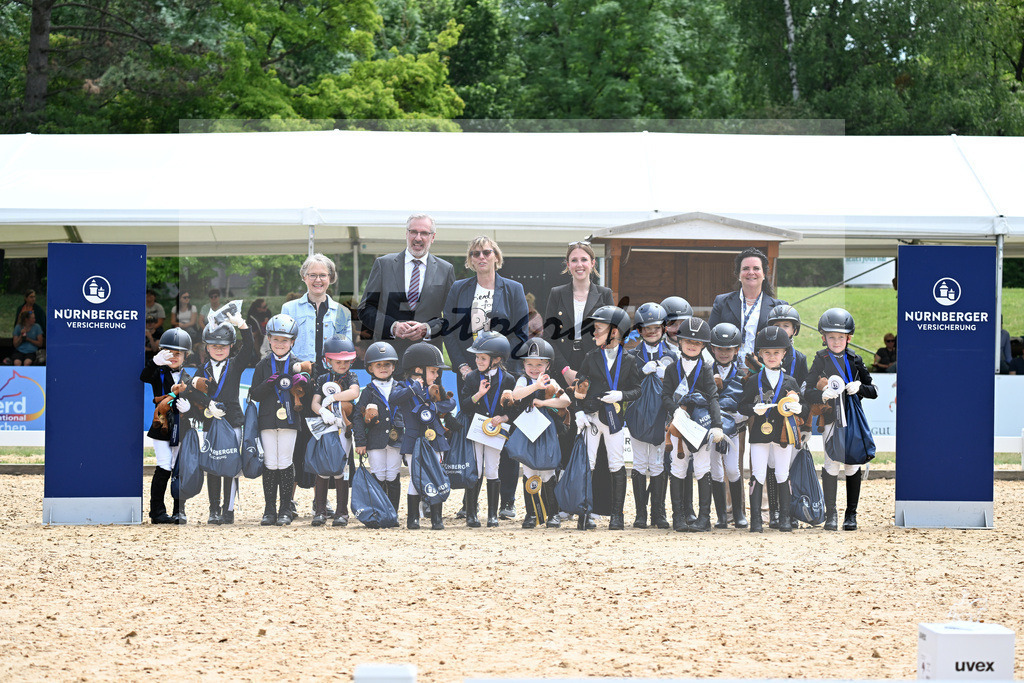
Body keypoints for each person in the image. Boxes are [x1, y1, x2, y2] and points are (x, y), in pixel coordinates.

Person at [443, 236, 529, 519]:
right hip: (469, 374)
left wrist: (506, 369)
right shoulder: (459, 288)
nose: (481, 257)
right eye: (476, 253)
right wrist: (462, 367)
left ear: (496, 256)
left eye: (487, 252)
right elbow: (450, 332)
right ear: (470, 259)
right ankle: (470, 502)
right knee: (473, 437)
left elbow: (520, 333)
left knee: (503, 433)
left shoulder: (513, 289)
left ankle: (506, 501)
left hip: (504, 375)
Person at [281, 253, 354, 520]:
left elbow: (346, 350)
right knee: (296, 442)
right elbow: (281, 344)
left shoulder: (343, 312)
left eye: (323, 275)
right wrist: (298, 368)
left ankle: (320, 503)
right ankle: (287, 503)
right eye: (312, 275)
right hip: (299, 385)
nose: (318, 280)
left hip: (330, 386)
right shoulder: (289, 309)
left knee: (327, 442)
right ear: (304, 277)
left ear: (330, 278)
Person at [804, 308, 878, 531]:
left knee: (852, 464)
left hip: (852, 419)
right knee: (831, 463)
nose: (836, 341)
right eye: (831, 337)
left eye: (840, 337)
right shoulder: (820, 359)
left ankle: (851, 514)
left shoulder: (855, 359)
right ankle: (831, 514)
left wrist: (859, 387)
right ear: (824, 337)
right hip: (830, 419)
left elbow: (873, 390)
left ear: (849, 338)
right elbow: (807, 390)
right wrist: (822, 394)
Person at [572, 305, 642, 531]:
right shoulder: (591, 357)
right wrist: (578, 410)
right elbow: (578, 386)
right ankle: (584, 513)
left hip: (614, 419)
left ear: (614, 332)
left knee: (616, 463)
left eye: (598, 328)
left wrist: (621, 395)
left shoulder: (629, 360)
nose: (594, 333)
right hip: (591, 417)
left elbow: (637, 389)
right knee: (588, 463)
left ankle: (617, 515)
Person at [738, 326, 810, 533]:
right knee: (758, 473)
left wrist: (798, 408)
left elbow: (804, 406)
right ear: (760, 354)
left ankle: (785, 517)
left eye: (776, 352)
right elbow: (741, 406)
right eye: (767, 352)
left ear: (784, 354)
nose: (771, 357)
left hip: (782, 434)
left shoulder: (790, 381)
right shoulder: (754, 381)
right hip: (759, 433)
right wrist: (753, 409)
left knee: (782, 473)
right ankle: (756, 520)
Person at [358, 213, 456, 359]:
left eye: (424, 233)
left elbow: (452, 316)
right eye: (413, 232)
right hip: (388, 357)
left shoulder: (445, 270)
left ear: (432, 237)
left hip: (428, 358)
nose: (418, 238)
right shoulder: (384, 265)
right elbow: (365, 309)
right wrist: (392, 326)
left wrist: (427, 329)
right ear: (406, 234)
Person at [660, 316, 725, 532]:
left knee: (702, 468)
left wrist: (717, 425)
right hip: (678, 425)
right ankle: (678, 516)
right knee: (678, 468)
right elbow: (665, 396)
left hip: (700, 426)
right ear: (680, 342)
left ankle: (704, 518)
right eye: (688, 341)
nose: (692, 345)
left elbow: (713, 397)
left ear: (703, 346)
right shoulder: (671, 369)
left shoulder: (706, 369)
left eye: (697, 343)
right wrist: (675, 410)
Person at [194, 313, 257, 525]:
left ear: (231, 346)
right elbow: (191, 390)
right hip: (210, 421)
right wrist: (207, 404)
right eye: (214, 346)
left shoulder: (236, 364)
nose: (219, 349)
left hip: (232, 420)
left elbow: (249, 348)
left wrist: (242, 326)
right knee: (213, 465)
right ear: (207, 347)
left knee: (231, 465)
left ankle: (228, 509)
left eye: (223, 346)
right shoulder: (202, 369)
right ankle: (213, 509)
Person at [140, 328, 207, 524]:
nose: (174, 357)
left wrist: (189, 409)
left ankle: (179, 510)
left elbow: (197, 405)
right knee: (164, 465)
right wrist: (155, 362)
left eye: (178, 354)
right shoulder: (158, 372)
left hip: (181, 427)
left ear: (186, 356)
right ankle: (157, 512)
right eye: (169, 353)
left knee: (179, 467)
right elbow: (144, 376)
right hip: (161, 426)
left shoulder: (188, 378)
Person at [390, 342, 457, 530]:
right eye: (433, 371)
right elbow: (393, 399)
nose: (436, 375)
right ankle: (413, 518)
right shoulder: (403, 386)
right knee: (415, 477)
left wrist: (434, 406)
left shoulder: (434, 388)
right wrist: (413, 389)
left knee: (436, 475)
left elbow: (450, 403)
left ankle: (437, 517)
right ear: (419, 370)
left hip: (435, 438)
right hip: (413, 439)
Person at [505, 338, 569, 529]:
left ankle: (553, 513)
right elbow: (516, 395)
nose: (534, 368)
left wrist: (543, 402)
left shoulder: (552, 381)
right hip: (527, 428)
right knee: (529, 469)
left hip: (546, 429)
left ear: (547, 365)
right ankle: (531, 514)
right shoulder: (522, 380)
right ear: (524, 364)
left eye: (539, 365)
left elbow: (565, 401)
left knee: (548, 470)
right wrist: (535, 386)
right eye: (530, 364)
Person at [456, 331, 518, 528]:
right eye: (477, 357)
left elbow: (513, 408)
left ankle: (492, 514)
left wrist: (504, 417)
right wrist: (479, 394)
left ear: (496, 359)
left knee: (492, 468)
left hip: (495, 430)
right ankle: (471, 513)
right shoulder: (472, 377)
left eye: (482, 358)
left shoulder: (508, 379)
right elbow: (465, 405)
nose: (478, 361)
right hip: (476, 429)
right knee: (475, 469)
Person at [248, 314, 304, 526]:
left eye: (285, 340)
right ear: (269, 339)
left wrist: (303, 382)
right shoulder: (262, 365)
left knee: (285, 461)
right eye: (276, 339)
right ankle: (269, 509)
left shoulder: (297, 364)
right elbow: (255, 394)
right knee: (270, 462)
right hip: (268, 419)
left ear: (293, 342)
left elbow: (306, 392)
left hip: (290, 419)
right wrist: (270, 382)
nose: (280, 344)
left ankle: (285, 508)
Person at [625, 302, 676, 529]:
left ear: (663, 328)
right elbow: (625, 384)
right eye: (647, 328)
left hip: (661, 416)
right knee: (639, 462)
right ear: (640, 330)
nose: (652, 331)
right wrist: (639, 372)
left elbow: (679, 387)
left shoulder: (672, 355)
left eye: (656, 327)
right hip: (638, 414)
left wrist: (669, 376)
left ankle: (659, 512)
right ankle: (640, 514)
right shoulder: (632, 355)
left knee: (657, 464)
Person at [544, 241, 614, 386]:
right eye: (574, 260)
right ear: (568, 265)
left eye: (584, 259)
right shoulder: (556, 293)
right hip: (563, 366)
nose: (579, 265)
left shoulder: (605, 294)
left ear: (592, 263)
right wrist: (564, 370)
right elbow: (549, 336)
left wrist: (595, 367)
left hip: (596, 365)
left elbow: (611, 335)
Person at [309, 337, 361, 526]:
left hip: (343, 428)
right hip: (326, 427)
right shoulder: (322, 378)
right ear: (328, 361)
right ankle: (320, 511)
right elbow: (314, 403)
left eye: (346, 361)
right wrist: (322, 410)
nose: (343, 365)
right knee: (322, 467)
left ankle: (342, 512)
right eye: (338, 362)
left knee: (342, 467)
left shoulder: (351, 377)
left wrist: (332, 398)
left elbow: (354, 393)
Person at [708, 247, 787, 366]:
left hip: (762, 370)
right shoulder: (722, 302)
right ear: (738, 275)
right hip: (727, 369)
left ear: (764, 274)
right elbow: (710, 339)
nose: (751, 272)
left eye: (756, 268)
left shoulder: (778, 307)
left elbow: (784, 344)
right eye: (745, 268)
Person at [352, 342, 404, 515]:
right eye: (378, 365)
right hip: (375, 439)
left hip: (397, 440)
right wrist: (360, 441)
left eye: (387, 364)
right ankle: (380, 512)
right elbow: (357, 417)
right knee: (379, 474)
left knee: (393, 475)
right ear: (370, 368)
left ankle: (393, 513)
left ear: (394, 367)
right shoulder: (368, 391)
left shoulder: (401, 387)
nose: (383, 368)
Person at [708, 322, 747, 529]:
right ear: (713, 349)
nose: (724, 353)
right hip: (712, 429)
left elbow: (745, 401)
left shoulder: (742, 374)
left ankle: (738, 513)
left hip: (732, 429)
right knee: (715, 470)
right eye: (720, 349)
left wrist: (738, 417)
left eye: (729, 349)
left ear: (736, 350)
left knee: (732, 469)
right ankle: (721, 515)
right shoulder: (705, 371)